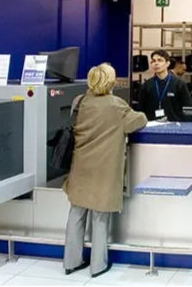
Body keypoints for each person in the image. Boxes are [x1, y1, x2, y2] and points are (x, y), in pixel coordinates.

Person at [62, 63, 147, 278]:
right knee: (100, 217)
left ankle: (71, 262)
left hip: (81, 165)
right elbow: (139, 121)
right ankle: (97, 266)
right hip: (104, 168)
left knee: (76, 212)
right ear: (110, 82)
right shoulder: (116, 105)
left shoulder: (79, 101)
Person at [138, 49, 192, 121]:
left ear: (167, 63)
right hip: (152, 124)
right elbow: (141, 110)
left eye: (160, 60)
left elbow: (188, 109)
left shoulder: (179, 84)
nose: (156, 63)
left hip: (174, 124)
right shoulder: (147, 85)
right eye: (153, 61)